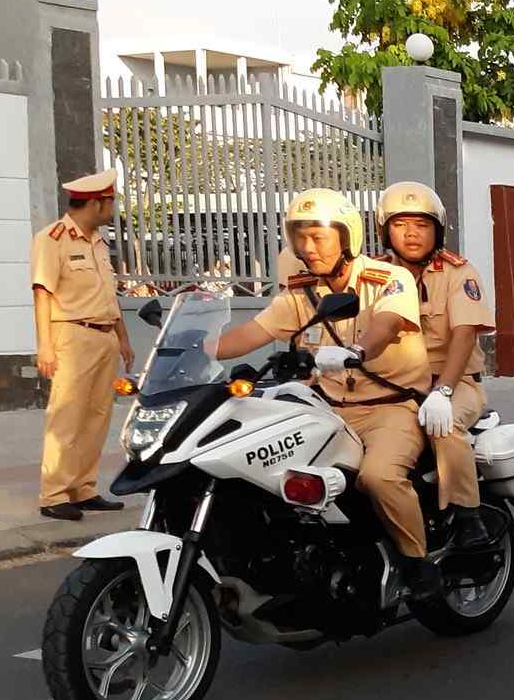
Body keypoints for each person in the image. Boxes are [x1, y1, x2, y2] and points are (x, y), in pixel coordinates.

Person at [211, 188, 440, 596]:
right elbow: (251, 333)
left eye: (318, 237)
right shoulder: (301, 292)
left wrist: (356, 351)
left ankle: (416, 562)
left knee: (379, 478)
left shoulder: (389, 278)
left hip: (389, 407)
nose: (308, 247)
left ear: (346, 237)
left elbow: (386, 325)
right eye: (300, 237)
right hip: (327, 408)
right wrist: (192, 349)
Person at [378, 180, 496, 549]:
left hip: (455, 382)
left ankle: (468, 516)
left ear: (438, 230)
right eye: (400, 225)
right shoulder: (374, 274)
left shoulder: (459, 272)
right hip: (393, 383)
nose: (411, 234)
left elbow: (464, 335)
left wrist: (443, 391)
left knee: (442, 426)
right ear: (385, 230)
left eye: (422, 225)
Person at [31, 170, 135, 522]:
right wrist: (45, 346)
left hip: (103, 335)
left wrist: (122, 337)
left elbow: (108, 294)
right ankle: (54, 494)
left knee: (96, 416)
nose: (112, 209)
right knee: (67, 416)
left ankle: (83, 488)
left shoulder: (98, 242)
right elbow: (42, 292)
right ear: (94, 202)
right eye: (110, 203)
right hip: (72, 336)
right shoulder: (53, 238)